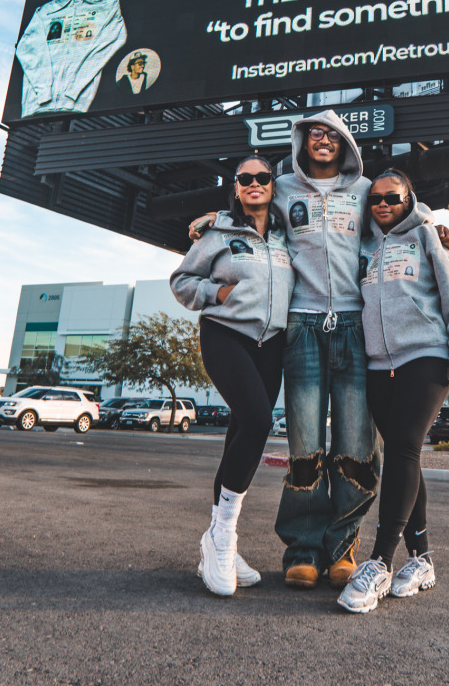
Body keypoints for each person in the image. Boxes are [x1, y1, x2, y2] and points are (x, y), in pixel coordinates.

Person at [189, 110, 449, 590]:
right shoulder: (283, 188)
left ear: (346, 143)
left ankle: (343, 546)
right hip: (302, 327)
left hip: (355, 327)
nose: (323, 140)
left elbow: (400, 210)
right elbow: (248, 208)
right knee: (305, 445)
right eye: (314, 133)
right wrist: (212, 218)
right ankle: (303, 548)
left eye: (332, 134)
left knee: (356, 446)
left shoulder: (365, 189)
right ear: (302, 142)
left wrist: (433, 224)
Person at [337, 168, 449, 614]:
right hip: (379, 365)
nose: (382, 204)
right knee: (403, 455)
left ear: (408, 199)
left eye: (392, 197)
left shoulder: (428, 235)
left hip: (427, 355)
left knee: (403, 449)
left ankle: (380, 562)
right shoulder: (363, 245)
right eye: (375, 198)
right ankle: (422, 560)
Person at [170, 156, 294, 597]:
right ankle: (222, 537)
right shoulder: (218, 233)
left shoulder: (286, 237)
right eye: (246, 178)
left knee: (240, 432)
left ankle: (219, 539)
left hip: (271, 343)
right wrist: (217, 291)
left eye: (263, 177)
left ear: (273, 186)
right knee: (258, 422)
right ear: (237, 187)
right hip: (226, 335)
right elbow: (181, 280)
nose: (255, 182)